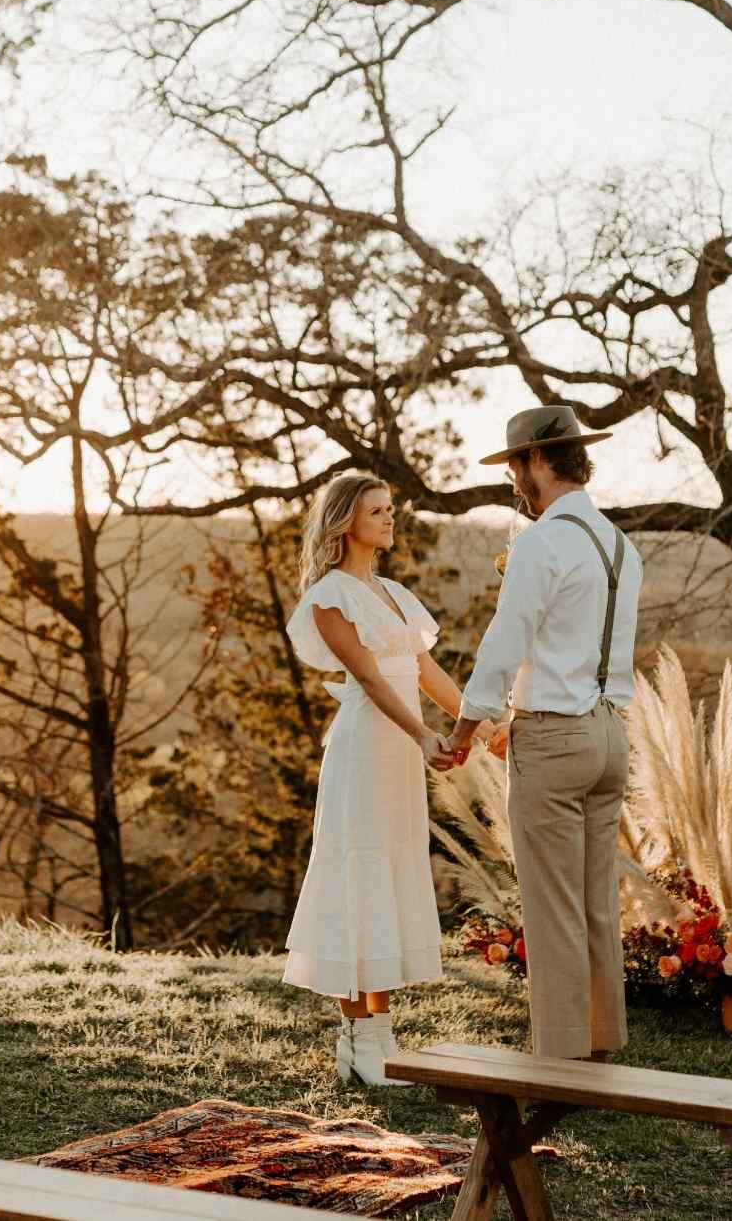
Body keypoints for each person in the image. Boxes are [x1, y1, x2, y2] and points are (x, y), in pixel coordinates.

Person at [432, 404, 643, 1063]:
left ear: (536, 461)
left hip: (553, 739)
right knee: (597, 902)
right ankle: (601, 1045)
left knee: (553, 909)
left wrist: (462, 731)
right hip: (611, 736)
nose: (514, 482)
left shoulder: (541, 543)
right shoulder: (620, 544)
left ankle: (560, 1063)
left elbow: (503, 646)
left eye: (515, 467)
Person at [281, 473, 501, 1085]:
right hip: (365, 751)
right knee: (358, 877)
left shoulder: (395, 594)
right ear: (346, 522)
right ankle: (356, 1038)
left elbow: (426, 672)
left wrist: (481, 728)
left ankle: (380, 1032)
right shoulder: (329, 596)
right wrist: (423, 735)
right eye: (377, 511)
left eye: (389, 510)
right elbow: (372, 680)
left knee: (389, 877)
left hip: (400, 753)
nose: (389, 519)